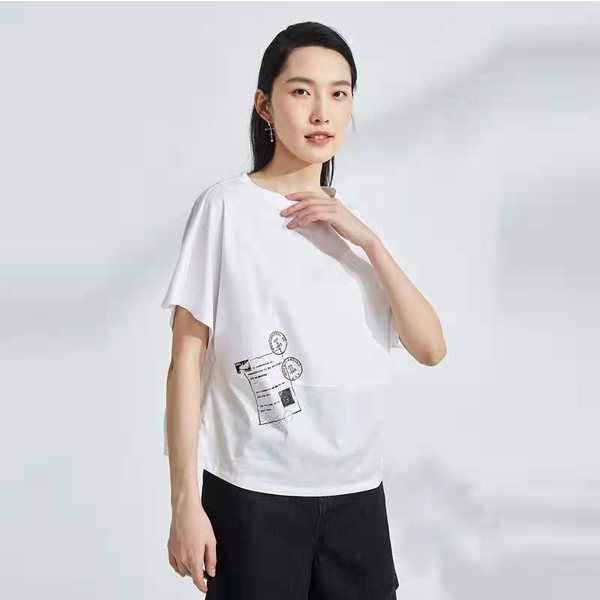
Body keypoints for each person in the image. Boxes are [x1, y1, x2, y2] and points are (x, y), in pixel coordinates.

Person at [161, 21, 446, 600]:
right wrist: (184, 503)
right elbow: (185, 363)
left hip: (358, 501)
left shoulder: (357, 227)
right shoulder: (226, 209)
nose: (322, 112)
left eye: (339, 93)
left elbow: (431, 348)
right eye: (301, 91)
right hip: (252, 498)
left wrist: (368, 242)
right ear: (264, 105)